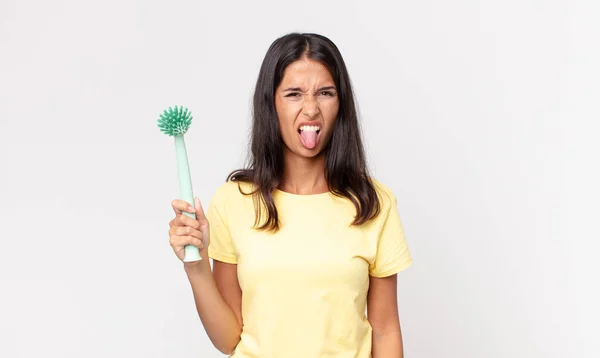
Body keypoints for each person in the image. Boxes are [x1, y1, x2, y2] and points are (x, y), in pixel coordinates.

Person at [168, 32, 413, 358]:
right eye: (294, 94)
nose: (311, 109)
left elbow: (385, 330)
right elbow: (229, 339)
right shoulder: (233, 201)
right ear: (272, 103)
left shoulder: (373, 203)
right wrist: (194, 266)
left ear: (340, 105)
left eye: (325, 93)